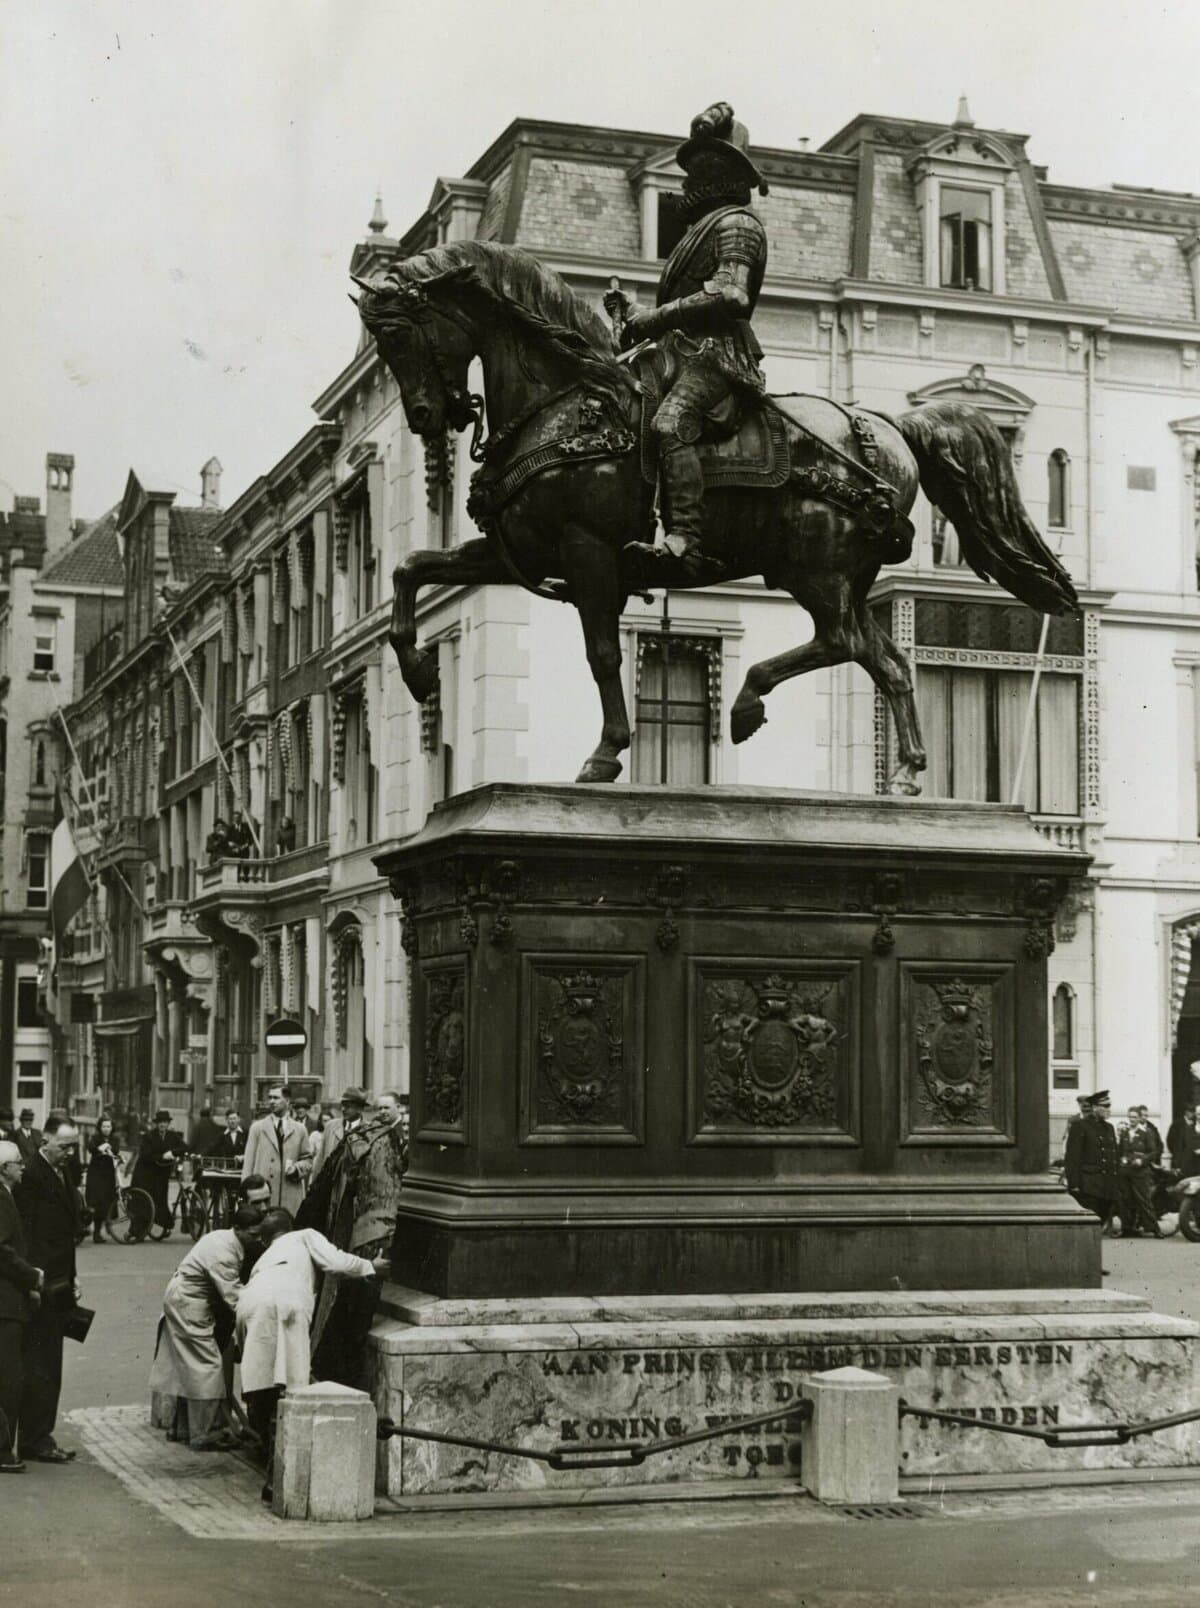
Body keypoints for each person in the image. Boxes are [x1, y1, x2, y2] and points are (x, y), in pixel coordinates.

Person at [604, 100, 768, 583]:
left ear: (723, 172)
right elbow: (680, 306)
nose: (690, 179)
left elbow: (731, 294)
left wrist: (652, 317)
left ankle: (687, 541)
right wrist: (633, 314)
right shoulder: (697, 233)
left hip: (718, 357)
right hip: (678, 353)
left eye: (700, 167)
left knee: (670, 424)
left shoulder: (738, 225)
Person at [235, 1208, 386, 1483]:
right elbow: (336, 1262)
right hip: (287, 1303)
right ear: (290, 1227)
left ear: (266, 1239)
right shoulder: (305, 1236)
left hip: (249, 1303)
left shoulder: (264, 1258)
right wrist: (370, 1266)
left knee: (263, 1385)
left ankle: (270, 1454)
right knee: (295, 1390)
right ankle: (282, 1473)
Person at [303, 1096, 408, 1389]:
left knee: (342, 1306)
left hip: (353, 1233)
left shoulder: (361, 1137)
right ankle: (339, 1377)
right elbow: (385, 1195)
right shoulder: (383, 1143)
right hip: (372, 1235)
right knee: (353, 1314)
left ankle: (327, 1371)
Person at [149, 1204, 265, 1450]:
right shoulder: (224, 1253)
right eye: (253, 1234)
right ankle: (204, 1433)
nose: (256, 1239)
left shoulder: (222, 1238)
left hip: (182, 1298)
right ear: (238, 1229)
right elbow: (234, 1297)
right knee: (208, 1367)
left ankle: (182, 1429)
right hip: (188, 1304)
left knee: (187, 1367)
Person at [15, 1117, 83, 1464]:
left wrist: (74, 1276)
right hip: (43, 1284)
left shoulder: (61, 1171)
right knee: (41, 1362)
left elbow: (66, 1232)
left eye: (73, 1146)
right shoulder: (30, 1175)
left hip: (60, 1281)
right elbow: (25, 1236)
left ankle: (41, 1433)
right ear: (45, 1141)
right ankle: (35, 1438)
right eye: (64, 1146)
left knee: (51, 1360)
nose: (70, 1153)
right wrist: (33, 1283)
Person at [0, 1140, 43, 1472]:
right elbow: (2, 1250)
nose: (23, 1166)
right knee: (8, 1379)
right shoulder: (1, 1198)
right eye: (18, 1162)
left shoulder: (7, 1195)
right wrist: (32, 1277)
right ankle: (2, 1451)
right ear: (4, 1168)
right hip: (5, 1304)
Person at [241, 1086, 312, 1212]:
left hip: (290, 1196)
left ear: (287, 1101)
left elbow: (308, 1160)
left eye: (276, 1098)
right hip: (262, 1197)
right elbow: (248, 1163)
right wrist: (244, 1194)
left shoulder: (300, 1130)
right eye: (270, 1098)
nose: (272, 1101)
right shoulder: (257, 1128)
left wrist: (296, 1169)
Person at [1063, 1091, 1120, 1226]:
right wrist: (1074, 1184)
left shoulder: (1109, 1128)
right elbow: (1072, 1157)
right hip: (1089, 1186)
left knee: (1101, 1222)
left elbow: (1114, 1157)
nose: (1109, 1110)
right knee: (1089, 1224)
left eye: (1109, 1106)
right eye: (1105, 1106)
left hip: (1107, 1186)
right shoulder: (1080, 1126)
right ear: (1094, 1108)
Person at [132, 1110, 185, 1236]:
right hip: (146, 1173)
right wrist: (162, 1156)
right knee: (144, 1201)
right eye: (160, 1122)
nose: (162, 1125)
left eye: (165, 1122)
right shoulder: (149, 1136)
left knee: (161, 1199)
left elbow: (184, 1147)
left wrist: (173, 1152)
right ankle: (137, 1231)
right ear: (156, 1124)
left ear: (168, 1124)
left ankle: (164, 1225)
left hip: (161, 1173)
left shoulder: (172, 1136)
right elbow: (145, 1155)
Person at [1118, 1105, 1163, 1238]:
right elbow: (1121, 1151)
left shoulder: (1146, 1133)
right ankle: (1127, 1228)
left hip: (1140, 1172)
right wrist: (1122, 1159)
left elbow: (1153, 1152)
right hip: (1126, 1172)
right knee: (1126, 1200)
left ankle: (1155, 1229)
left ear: (1139, 1118)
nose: (1132, 1120)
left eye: (1135, 1117)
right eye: (1130, 1117)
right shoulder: (1125, 1133)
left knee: (1144, 1200)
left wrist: (1142, 1161)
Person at [309, 1087, 368, 1183]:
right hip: (329, 1186)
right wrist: (314, 1185)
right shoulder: (331, 1127)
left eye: (348, 1106)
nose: (343, 1109)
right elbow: (320, 1160)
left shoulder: (368, 1131)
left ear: (359, 1109)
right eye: (342, 1105)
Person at [84, 1117, 121, 1245]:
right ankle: (96, 1232)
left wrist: (112, 1151)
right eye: (104, 1126)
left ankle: (107, 1222)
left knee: (108, 1199)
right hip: (96, 1173)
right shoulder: (95, 1138)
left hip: (108, 1173)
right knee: (97, 1201)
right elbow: (91, 1148)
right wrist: (101, 1148)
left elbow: (116, 1151)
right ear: (100, 1128)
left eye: (108, 1126)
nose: (106, 1129)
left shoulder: (115, 1139)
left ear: (112, 1128)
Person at [1168, 1103, 1200, 1176]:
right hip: (1190, 1166)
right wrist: (1176, 1165)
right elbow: (1179, 1147)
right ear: (1195, 1114)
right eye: (1199, 1114)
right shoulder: (1187, 1129)